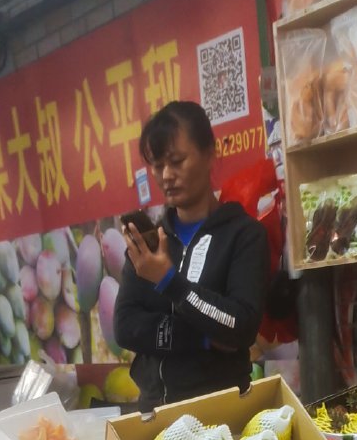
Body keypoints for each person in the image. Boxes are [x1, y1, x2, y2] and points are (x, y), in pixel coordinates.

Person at [114, 100, 270, 411]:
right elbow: (125, 325)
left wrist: (169, 281)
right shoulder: (150, 241)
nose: (167, 175)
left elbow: (240, 327)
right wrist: (201, 339)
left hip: (223, 416)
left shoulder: (244, 235)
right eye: (158, 165)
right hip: (155, 415)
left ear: (211, 154)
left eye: (177, 161)